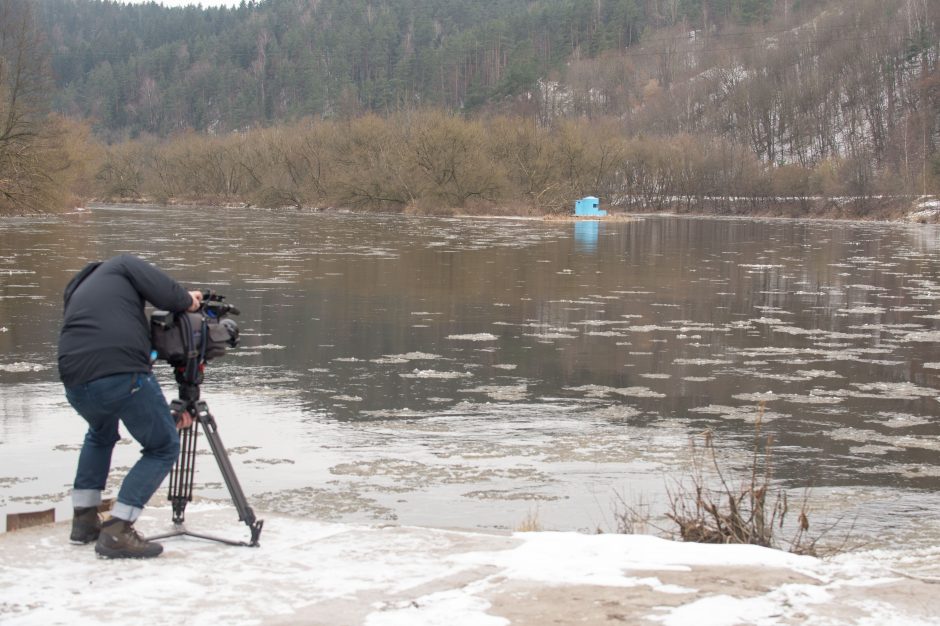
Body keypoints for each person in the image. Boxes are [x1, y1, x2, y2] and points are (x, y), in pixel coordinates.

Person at [58, 254, 202, 558]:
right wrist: (189, 300)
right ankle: (119, 529)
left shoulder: (78, 288)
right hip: (121, 372)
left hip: (73, 377)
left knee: (100, 432)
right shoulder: (122, 265)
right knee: (163, 445)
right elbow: (170, 295)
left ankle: (84, 521)